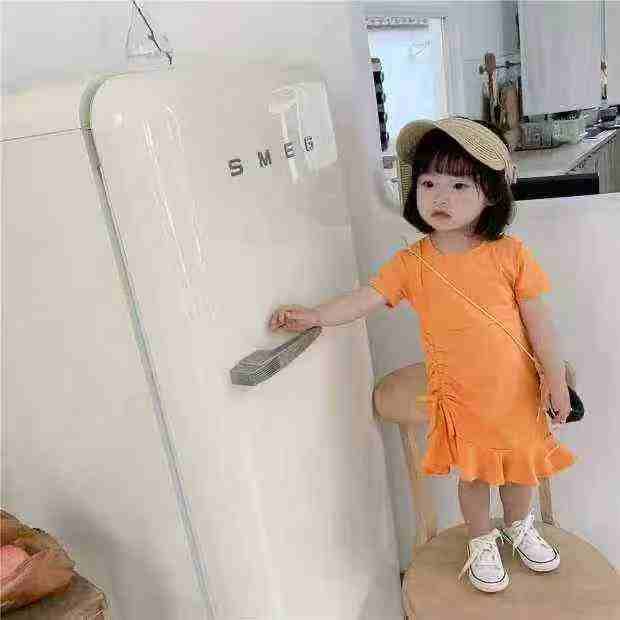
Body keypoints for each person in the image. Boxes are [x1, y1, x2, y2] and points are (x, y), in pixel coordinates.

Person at [268, 116, 576, 594]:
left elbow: (541, 326)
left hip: (517, 394)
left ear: (490, 194)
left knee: (521, 474)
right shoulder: (411, 263)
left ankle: (519, 528)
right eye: (429, 183)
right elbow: (365, 298)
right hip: (462, 399)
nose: (440, 197)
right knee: (474, 478)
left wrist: (556, 382)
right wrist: (316, 316)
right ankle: (481, 541)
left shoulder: (510, 254)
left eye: (459, 184)